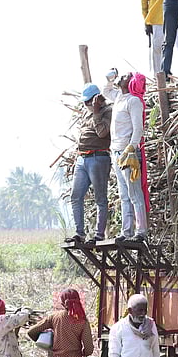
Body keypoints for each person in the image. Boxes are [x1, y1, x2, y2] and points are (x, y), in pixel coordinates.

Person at [104, 73, 149, 242]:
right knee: (124, 194)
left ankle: (141, 231)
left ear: (130, 83)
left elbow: (138, 129)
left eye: (126, 76)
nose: (123, 76)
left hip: (127, 152)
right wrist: (110, 78)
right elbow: (105, 90)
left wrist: (131, 148)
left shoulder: (133, 101)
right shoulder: (118, 98)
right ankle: (126, 231)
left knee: (134, 193)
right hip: (116, 151)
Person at [67, 81, 113, 244]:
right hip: (82, 158)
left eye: (89, 101)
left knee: (100, 198)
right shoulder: (86, 113)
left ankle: (99, 235)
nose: (87, 104)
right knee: (75, 196)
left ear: (97, 99)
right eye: (85, 102)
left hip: (98, 157)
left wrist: (96, 112)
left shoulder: (107, 111)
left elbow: (102, 133)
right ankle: (80, 233)